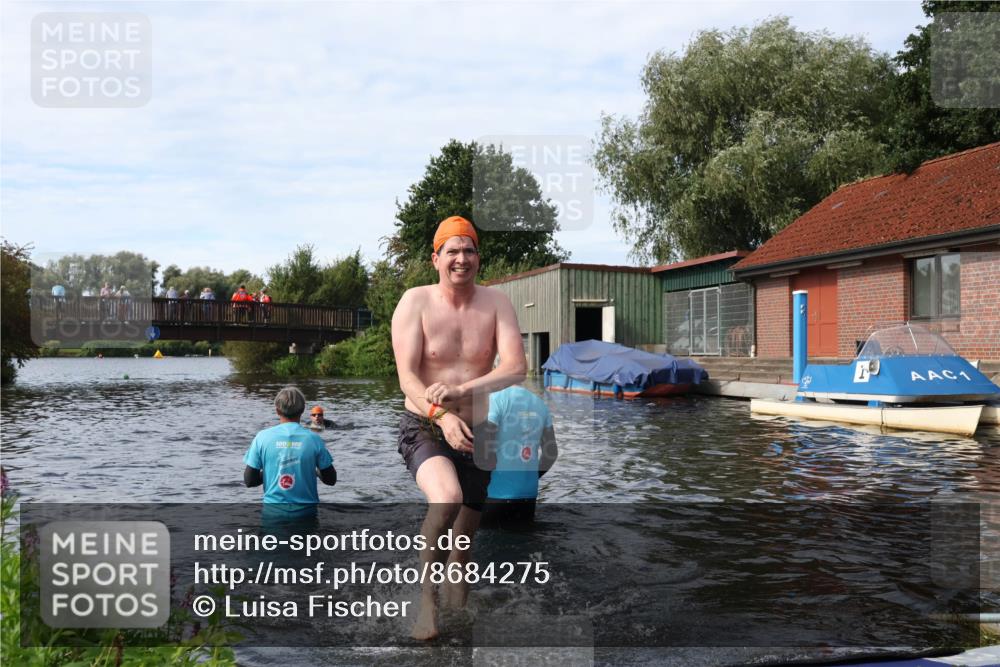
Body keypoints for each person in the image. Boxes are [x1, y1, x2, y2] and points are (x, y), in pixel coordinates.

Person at [391, 214, 526, 640]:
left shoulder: (496, 303)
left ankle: (458, 620)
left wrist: (462, 389)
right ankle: (425, 605)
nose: (461, 258)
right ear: (436, 258)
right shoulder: (415, 301)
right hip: (425, 424)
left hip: (479, 432)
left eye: (468, 250)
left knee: (464, 543)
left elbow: (517, 368)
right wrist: (442, 414)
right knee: (445, 499)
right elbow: (408, 380)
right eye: (452, 251)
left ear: (478, 258)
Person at [243, 386, 337, 523]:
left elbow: (250, 481)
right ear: (303, 410)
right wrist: (314, 471)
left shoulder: (262, 437)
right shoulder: (314, 439)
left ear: (277, 410)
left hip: (272, 514)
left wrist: (271, 471)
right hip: (306, 515)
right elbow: (330, 479)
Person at [481, 386, 558, 526]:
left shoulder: (495, 400)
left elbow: (484, 444)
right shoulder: (540, 404)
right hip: (528, 496)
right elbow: (551, 454)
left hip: (495, 494)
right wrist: (534, 475)